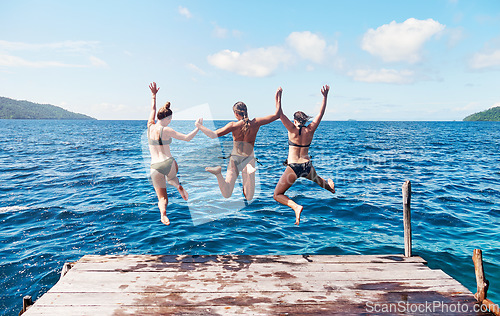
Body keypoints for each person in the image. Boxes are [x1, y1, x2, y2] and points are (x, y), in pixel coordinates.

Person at [195, 88, 283, 200]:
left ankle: (218, 173)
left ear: (236, 113)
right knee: (249, 197)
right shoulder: (255, 123)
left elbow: (212, 134)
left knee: (226, 194)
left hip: (235, 159)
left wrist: (199, 125)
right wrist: (278, 97)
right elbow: (277, 115)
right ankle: (250, 173)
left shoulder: (233, 125)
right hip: (248, 160)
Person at [273, 85, 335, 226]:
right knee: (321, 182)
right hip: (307, 166)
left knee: (277, 195)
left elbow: (278, 113)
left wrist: (278, 97)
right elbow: (321, 114)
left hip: (293, 168)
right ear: (305, 121)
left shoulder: (291, 128)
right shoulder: (310, 129)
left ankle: (296, 207)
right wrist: (325, 97)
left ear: (295, 121)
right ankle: (331, 188)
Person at [147, 82, 201, 225]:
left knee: (162, 199)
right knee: (172, 178)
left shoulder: (150, 126)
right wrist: (198, 127)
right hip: (169, 163)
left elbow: (152, 108)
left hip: (154, 167)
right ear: (168, 119)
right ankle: (177, 186)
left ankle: (163, 214)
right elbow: (187, 138)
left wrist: (154, 96)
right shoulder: (167, 130)